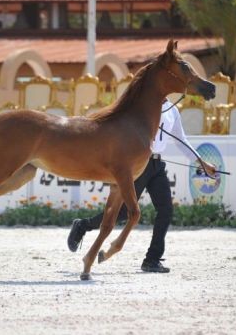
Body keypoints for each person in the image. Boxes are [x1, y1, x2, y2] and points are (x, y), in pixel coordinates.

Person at [67, 98, 216, 273]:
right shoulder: (143, 104)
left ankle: (152, 260)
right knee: (123, 212)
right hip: (138, 163)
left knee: (166, 209)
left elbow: (181, 140)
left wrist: (202, 163)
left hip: (157, 165)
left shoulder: (173, 110)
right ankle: (83, 225)